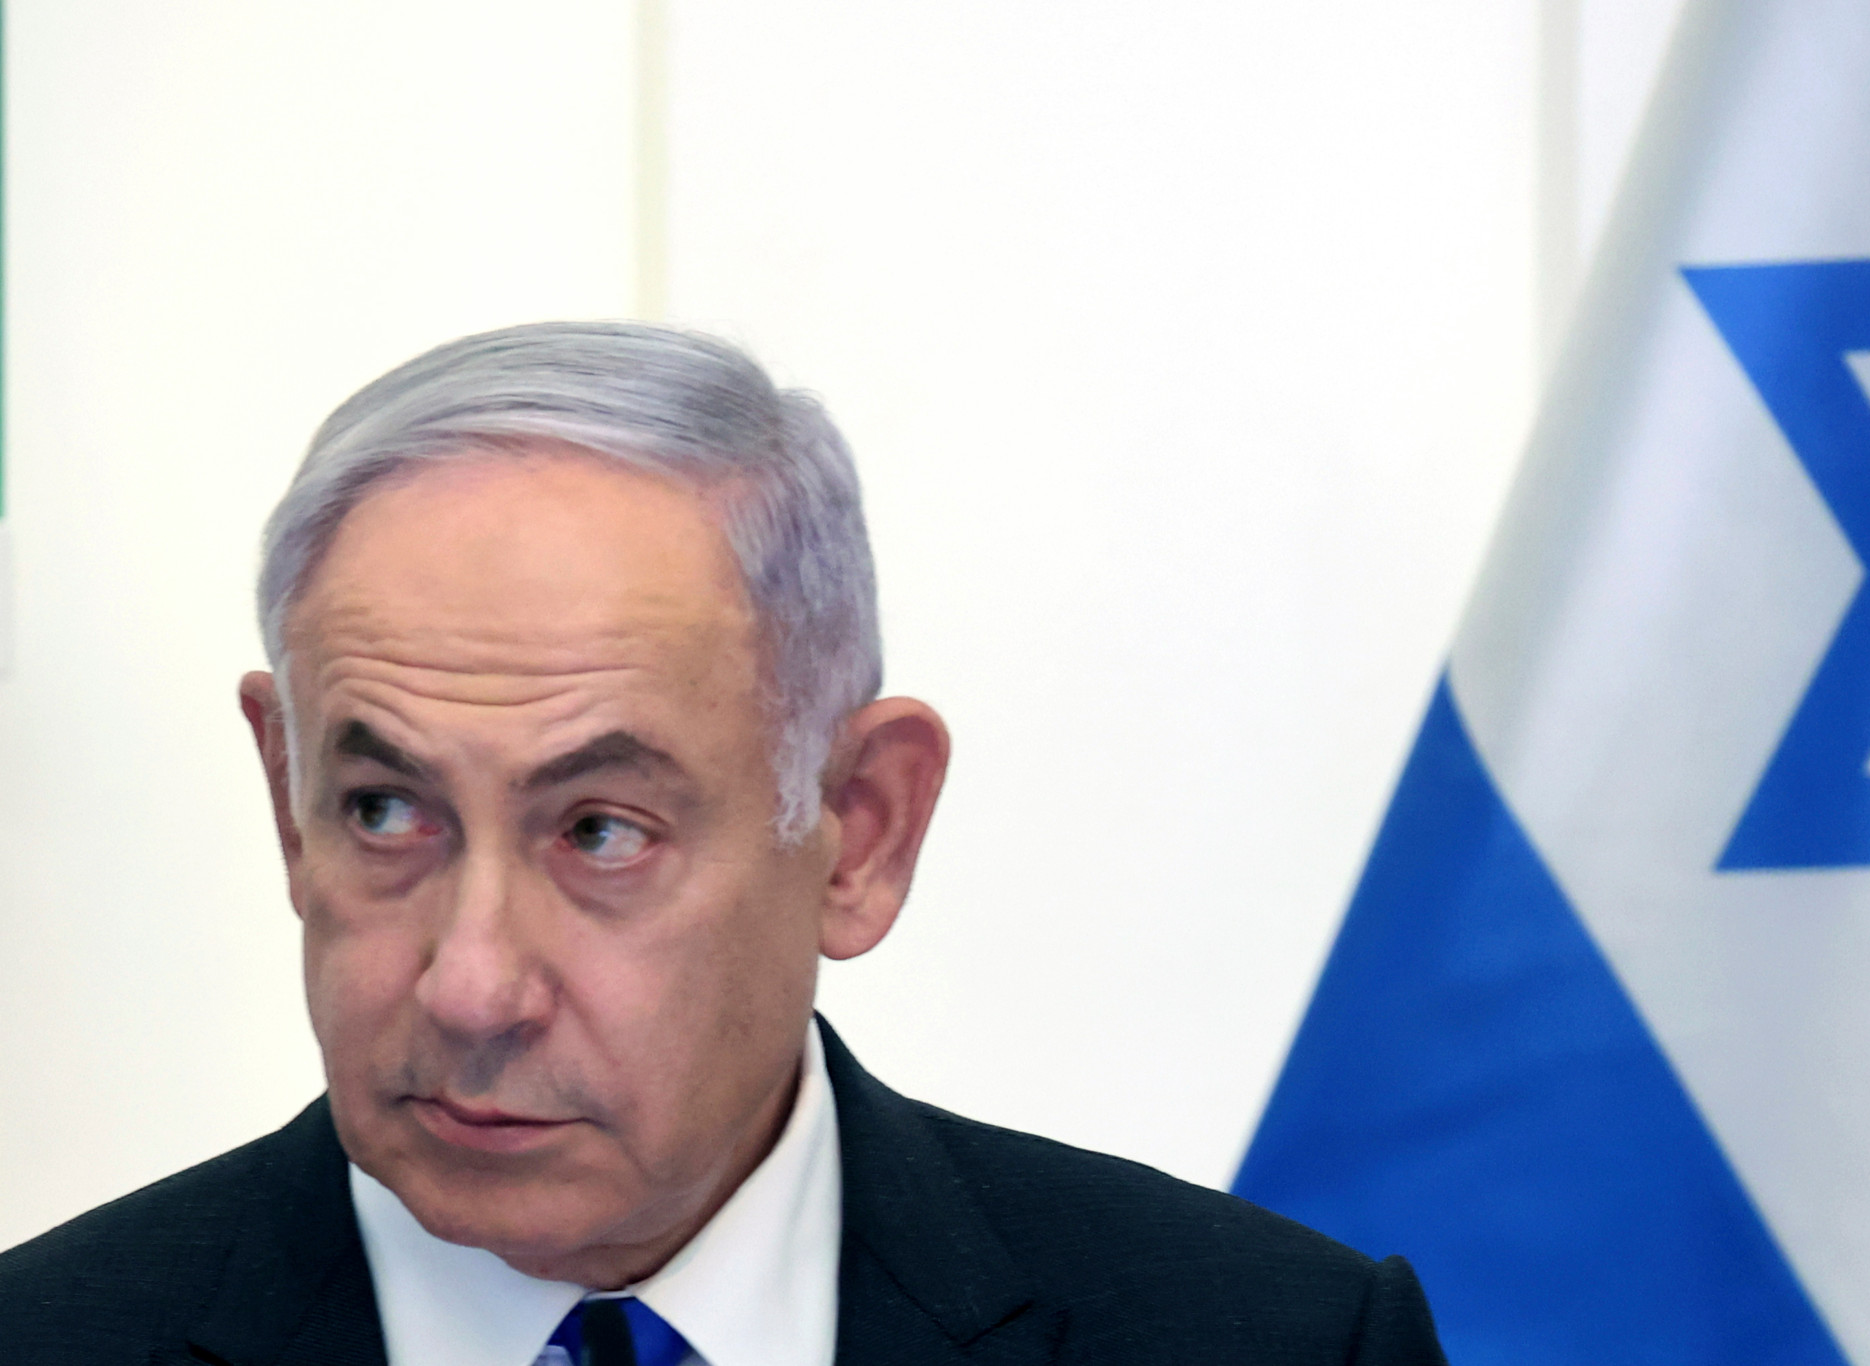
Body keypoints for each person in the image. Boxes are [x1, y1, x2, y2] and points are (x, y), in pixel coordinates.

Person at [0, 322, 1448, 1365]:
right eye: (385, 811)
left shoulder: (1273, 1342)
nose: (470, 986)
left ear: (861, 830)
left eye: (600, 831)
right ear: (285, 794)